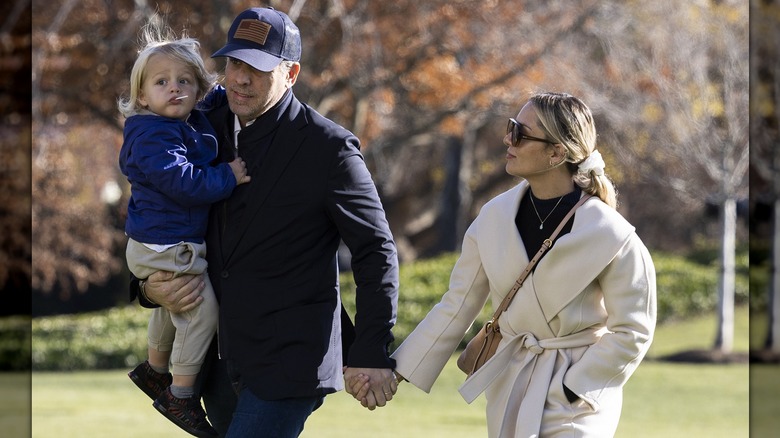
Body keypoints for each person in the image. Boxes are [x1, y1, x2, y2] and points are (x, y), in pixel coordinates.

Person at [129, 7, 400, 437]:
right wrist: (147, 288)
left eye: (256, 68)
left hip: (290, 362)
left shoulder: (330, 150)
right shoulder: (200, 126)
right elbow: (159, 211)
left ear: (290, 73)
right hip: (216, 362)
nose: (239, 78)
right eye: (234, 63)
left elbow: (375, 252)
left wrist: (371, 351)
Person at [348, 92, 657, 437]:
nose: (508, 139)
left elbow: (634, 330)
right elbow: (457, 306)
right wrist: (394, 371)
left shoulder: (611, 234)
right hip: (510, 384)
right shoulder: (493, 217)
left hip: (578, 401)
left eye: (521, 134)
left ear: (557, 152)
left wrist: (576, 385)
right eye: (511, 128)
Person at [118, 21, 251, 438]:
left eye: (184, 81)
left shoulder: (183, 120)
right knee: (199, 309)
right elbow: (185, 182)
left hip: (160, 242)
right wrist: (228, 176)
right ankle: (180, 393)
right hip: (166, 244)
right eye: (161, 82)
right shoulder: (153, 134)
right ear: (142, 95)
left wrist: (216, 86)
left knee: (170, 305)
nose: (174, 88)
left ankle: (155, 370)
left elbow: (210, 92)